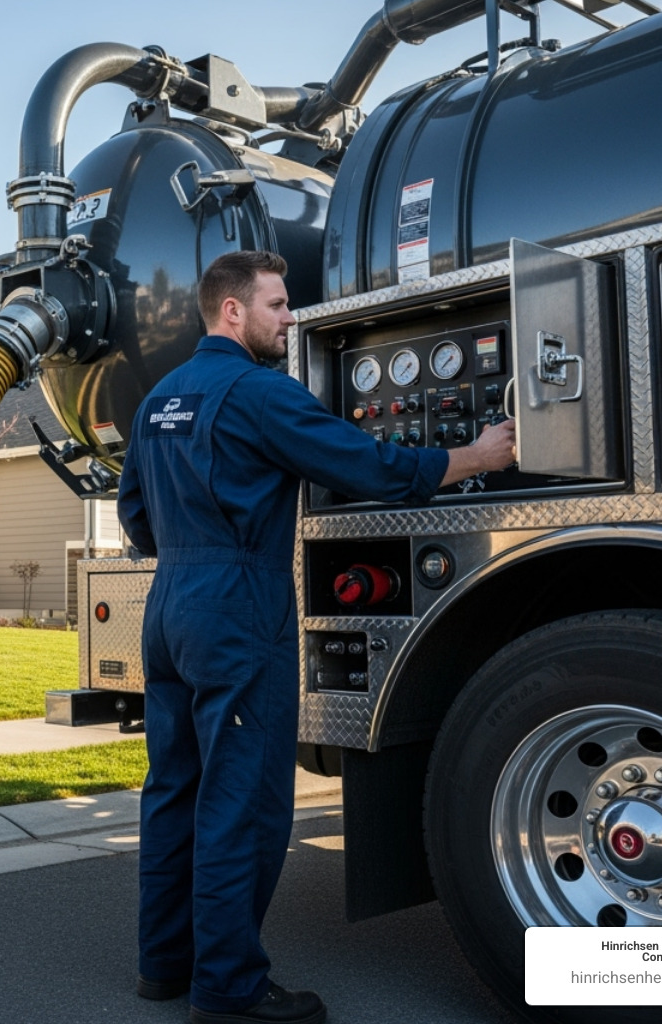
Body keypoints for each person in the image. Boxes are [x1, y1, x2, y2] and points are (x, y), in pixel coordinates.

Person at [116, 250, 516, 1024]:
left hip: (169, 607)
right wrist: (474, 456)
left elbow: (135, 515)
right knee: (242, 800)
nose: (289, 317)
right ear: (232, 311)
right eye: (276, 304)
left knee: (175, 791)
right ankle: (229, 988)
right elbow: (365, 463)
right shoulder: (260, 392)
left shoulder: (159, 399)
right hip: (237, 605)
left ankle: (162, 965)